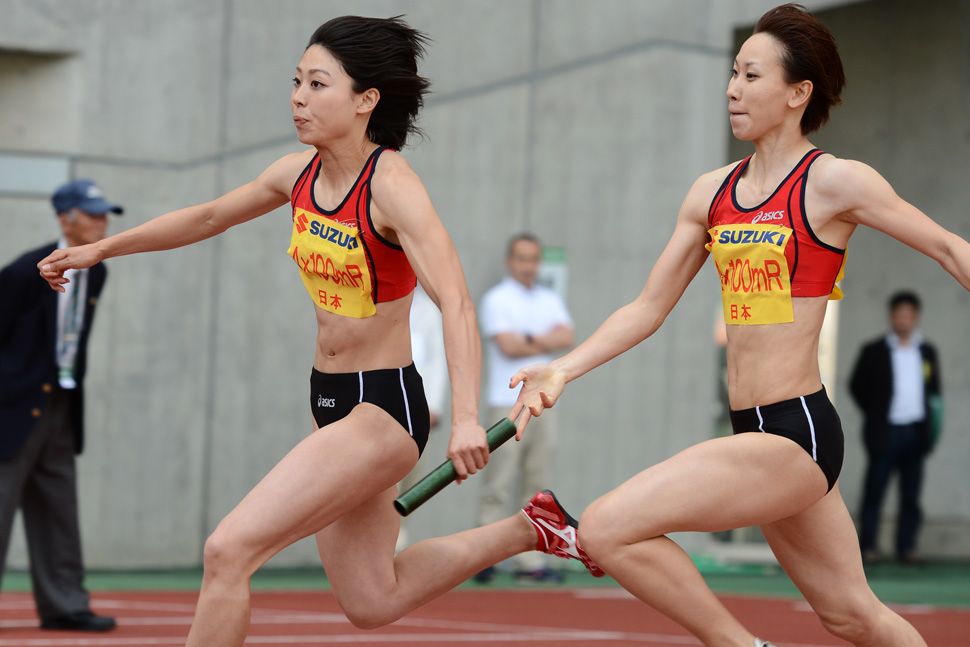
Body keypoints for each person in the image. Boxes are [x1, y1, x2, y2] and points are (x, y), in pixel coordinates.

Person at [36, 17, 596, 646]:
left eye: (318, 83)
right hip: (326, 399)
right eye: (297, 81)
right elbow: (210, 215)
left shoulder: (393, 189)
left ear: (365, 100)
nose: (299, 96)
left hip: (382, 405)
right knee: (371, 599)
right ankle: (531, 529)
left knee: (229, 549)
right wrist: (101, 249)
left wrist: (466, 417)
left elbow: (458, 303)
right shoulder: (296, 174)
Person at [510, 4, 968, 646]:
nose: (733, 88)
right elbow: (648, 307)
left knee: (608, 526)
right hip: (750, 429)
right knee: (852, 616)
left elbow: (950, 248)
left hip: (797, 432)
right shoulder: (711, 192)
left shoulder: (833, 182)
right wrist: (564, 367)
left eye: (752, 76)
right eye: (733, 72)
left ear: (797, 93)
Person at [0, 179, 122, 632]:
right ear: (65, 218)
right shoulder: (21, 272)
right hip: (12, 408)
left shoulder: (100, 270)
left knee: (58, 509)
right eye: (92, 214)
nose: (101, 222)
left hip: (62, 405)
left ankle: (65, 605)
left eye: (104, 214)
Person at [476, 233, 573, 583]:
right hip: (506, 402)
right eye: (521, 258)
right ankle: (484, 557)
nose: (528, 266)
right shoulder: (496, 299)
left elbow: (566, 337)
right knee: (498, 481)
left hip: (544, 402)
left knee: (537, 483)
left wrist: (528, 339)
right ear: (509, 260)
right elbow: (508, 347)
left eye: (533, 259)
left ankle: (530, 562)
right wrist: (541, 340)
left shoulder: (549, 298)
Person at [850, 291, 941, 564]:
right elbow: (857, 386)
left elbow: (934, 391)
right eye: (899, 314)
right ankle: (868, 547)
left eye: (908, 315)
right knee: (875, 492)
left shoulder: (926, 352)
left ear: (916, 317)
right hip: (885, 432)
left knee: (911, 495)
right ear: (892, 316)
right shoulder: (874, 350)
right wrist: (876, 413)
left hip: (915, 431)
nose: (903, 320)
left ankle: (907, 548)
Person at [396, 284, 448, 552]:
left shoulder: (427, 308)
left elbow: (437, 358)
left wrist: (434, 404)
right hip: (379, 407)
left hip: (416, 408)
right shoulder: (370, 298)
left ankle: (396, 544)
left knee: (409, 483)